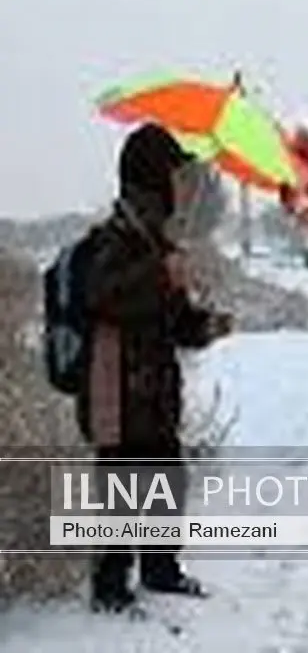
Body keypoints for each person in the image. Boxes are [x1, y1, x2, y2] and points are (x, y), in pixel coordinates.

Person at [80, 123, 234, 614]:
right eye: (171, 172)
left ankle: (160, 568)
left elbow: (175, 322)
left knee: (167, 474)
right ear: (150, 177)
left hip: (155, 391)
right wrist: (159, 274)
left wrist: (208, 322)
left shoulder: (159, 242)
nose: (178, 182)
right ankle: (109, 586)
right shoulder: (117, 237)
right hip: (119, 390)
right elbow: (101, 295)